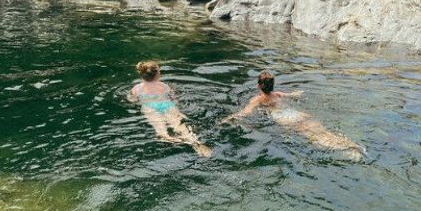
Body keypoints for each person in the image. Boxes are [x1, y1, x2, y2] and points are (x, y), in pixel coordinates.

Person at [222, 71, 364, 161]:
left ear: (258, 85)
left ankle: (347, 151)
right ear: (272, 85)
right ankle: (350, 145)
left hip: (284, 118)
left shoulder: (257, 99)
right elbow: (292, 95)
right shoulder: (277, 94)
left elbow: (245, 113)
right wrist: (297, 93)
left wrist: (229, 118)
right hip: (296, 114)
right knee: (322, 131)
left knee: (313, 136)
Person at [129, 60, 212, 157]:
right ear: (157, 75)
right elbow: (173, 98)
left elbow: (132, 100)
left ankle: (166, 137)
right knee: (180, 126)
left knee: (160, 128)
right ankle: (195, 142)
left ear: (141, 75)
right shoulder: (164, 86)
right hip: (167, 105)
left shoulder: (137, 88)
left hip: (149, 107)